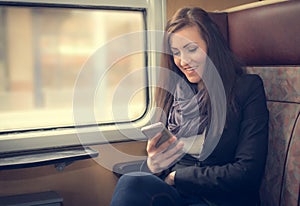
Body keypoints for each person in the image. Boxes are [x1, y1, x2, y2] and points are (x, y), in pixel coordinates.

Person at [110, 7, 269, 206]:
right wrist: (155, 164)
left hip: (219, 199)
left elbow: (247, 172)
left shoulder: (247, 88)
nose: (183, 61)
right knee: (131, 181)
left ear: (212, 46)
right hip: (178, 193)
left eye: (192, 49)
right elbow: (165, 165)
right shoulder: (174, 93)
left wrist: (178, 177)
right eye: (176, 52)